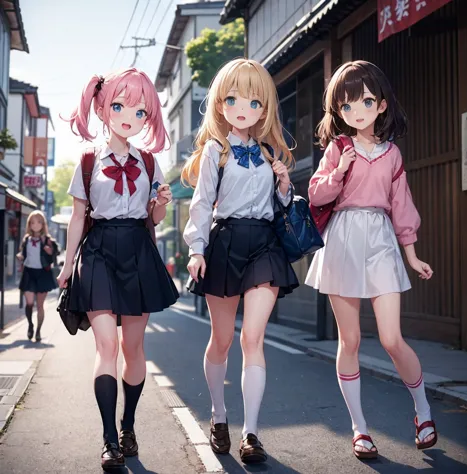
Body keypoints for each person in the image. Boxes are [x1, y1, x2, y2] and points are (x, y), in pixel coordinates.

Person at [306, 60, 437, 459]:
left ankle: (423, 411)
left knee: (392, 338)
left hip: (380, 240)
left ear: (381, 105)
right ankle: (360, 428)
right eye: (346, 106)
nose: (356, 111)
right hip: (343, 239)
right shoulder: (337, 149)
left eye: (364, 102)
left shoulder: (392, 155)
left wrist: (411, 255)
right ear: (339, 112)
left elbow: (401, 206)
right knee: (351, 339)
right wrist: (338, 171)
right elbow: (315, 196)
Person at [57, 68, 179, 469]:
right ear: (103, 108)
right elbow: (78, 218)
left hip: (138, 251)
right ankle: (109, 439)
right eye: (119, 105)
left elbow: (156, 218)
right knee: (106, 346)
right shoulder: (90, 161)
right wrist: (67, 262)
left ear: (149, 117)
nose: (129, 116)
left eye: (140, 110)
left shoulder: (148, 161)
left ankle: (128, 425)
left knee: (133, 347)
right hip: (98, 253)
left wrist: (160, 200)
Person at [182, 58, 298, 464]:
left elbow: (280, 207)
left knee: (253, 338)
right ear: (220, 104)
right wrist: (196, 249)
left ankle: (251, 433)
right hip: (226, 242)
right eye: (232, 99)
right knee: (223, 340)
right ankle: (218, 415)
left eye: (251, 101)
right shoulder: (216, 150)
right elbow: (201, 205)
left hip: (265, 245)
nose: (242, 107)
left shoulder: (269, 152)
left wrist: (284, 185)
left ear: (263, 108)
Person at [17, 210, 58, 342]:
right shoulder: (26, 239)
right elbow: (23, 254)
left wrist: (49, 251)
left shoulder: (47, 240)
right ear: (29, 224)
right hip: (29, 272)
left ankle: (39, 331)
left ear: (43, 224)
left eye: (39, 222)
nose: (36, 225)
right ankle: (30, 325)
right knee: (29, 303)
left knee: (40, 305)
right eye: (33, 222)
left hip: (42, 274)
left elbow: (53, 256)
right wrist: (20, 256)